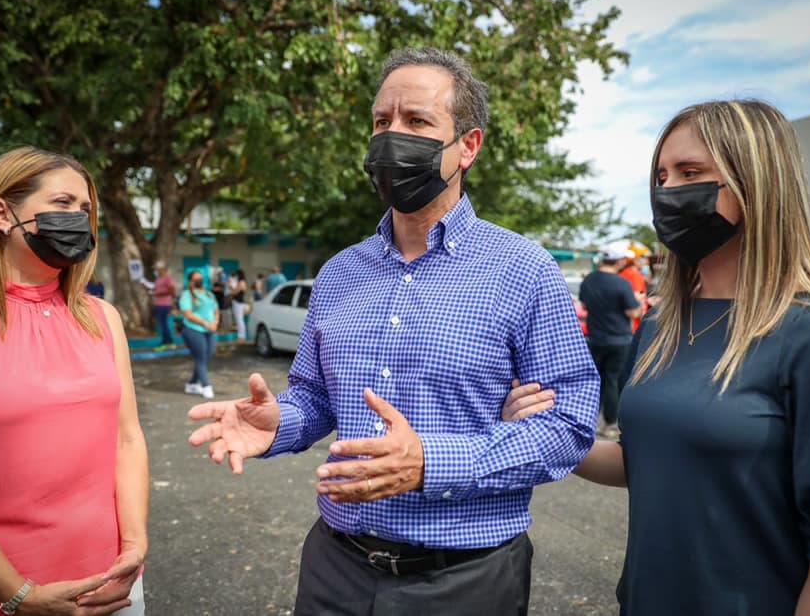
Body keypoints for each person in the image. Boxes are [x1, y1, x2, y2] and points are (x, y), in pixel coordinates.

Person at [187, 47, 599, 615]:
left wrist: (430, 461)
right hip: (336, 568)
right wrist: (279, 421)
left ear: (468, 147)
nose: (392, 136)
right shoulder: (339, 273)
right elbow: (316, 396)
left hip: (465, 580)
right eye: (382, 122)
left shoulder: (523, 270)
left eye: (418, 122)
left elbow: (569, 427)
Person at [504, 99, 810, 616]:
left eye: (691, 173)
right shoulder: (660, 325)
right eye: (661, 177)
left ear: (757, 185)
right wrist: (548, 429)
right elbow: (646, 459)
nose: (668, 192)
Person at [0, 146, 149, 615]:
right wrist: (20, 595)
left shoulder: (104, 318)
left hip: (112, 591)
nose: (79, 218)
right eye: (63, 205)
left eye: (86, 210)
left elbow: (127, 441)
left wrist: (135, 549)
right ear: (0, 213)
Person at [578, 243, 641, 438]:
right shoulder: (621, 283)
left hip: (595, 337)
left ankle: (586, 420)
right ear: (620, 261)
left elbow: (584, 306)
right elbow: (633, 312)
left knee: (593, 380)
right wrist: (638, 302)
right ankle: (610, 424)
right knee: (612, 380)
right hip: (619, 339)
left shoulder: (589, 280)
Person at [179, 269, 220, 399]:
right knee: (201, 357)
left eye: (200, 278)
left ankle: (191, 384)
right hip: (193, 330)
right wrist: (204, 323)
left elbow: (216, 310)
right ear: (190, 281)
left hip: (210, 330)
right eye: (196, 279)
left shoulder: (209, 294)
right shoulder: (187, 294)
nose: (199, 281)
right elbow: (187, 314)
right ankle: (206, 386)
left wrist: (215, 322)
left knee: (207, 356)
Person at [142, 260, 175, 347]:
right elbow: (156, 289)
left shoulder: (168, 278)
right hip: (158, 304)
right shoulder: (159, 279)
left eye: (157, 269)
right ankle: (165, 341)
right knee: (161, 324)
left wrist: (156, 294)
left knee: (164, 323)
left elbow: (171, 291)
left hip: (165, 305)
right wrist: (146, 286)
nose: (156, 270)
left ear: (162, 269)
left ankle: (169, 342)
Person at [228, 269, 248, 341]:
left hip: (238, 302)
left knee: (239, 320)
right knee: (239, 319)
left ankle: (241, 337)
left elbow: (235, 292)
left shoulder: (241, 282)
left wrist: (231, 288)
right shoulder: (242, 282)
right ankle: (241, 336)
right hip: (238, 302)